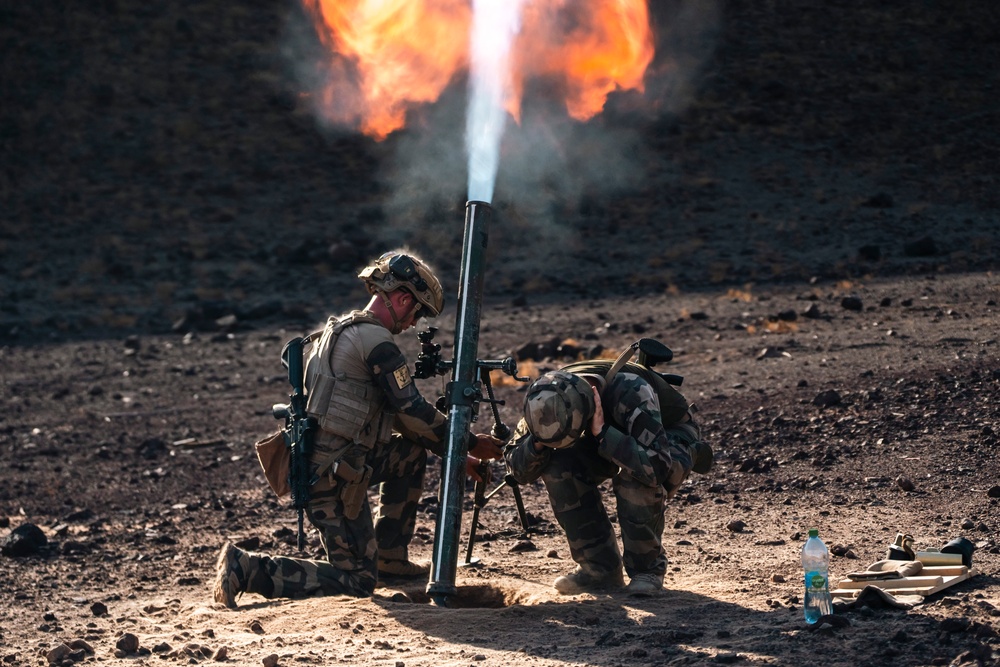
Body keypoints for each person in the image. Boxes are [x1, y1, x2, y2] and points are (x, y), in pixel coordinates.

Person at [213, 250, 503, 608]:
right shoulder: (377, 343)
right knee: (358, 582)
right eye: (417, 312)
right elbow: (411, 410)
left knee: (410, 453)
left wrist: (457, 455)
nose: (414, 324)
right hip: (332, 479)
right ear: (401, 298)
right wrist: (468, 443)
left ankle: (390, 559)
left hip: (335, 462)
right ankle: (246, 569)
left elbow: (399, 420)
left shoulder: (338, 331)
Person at [504, 351, 712, 596]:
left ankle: (647, 570)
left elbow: (656, 467)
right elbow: (517, 471)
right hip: (595, 432)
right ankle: (599, 571)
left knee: (634, 477)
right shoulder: (544, 401)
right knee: (558, 466)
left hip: (667, 436)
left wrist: (603, 433)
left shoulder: (630, 391)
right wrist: (538, 443)